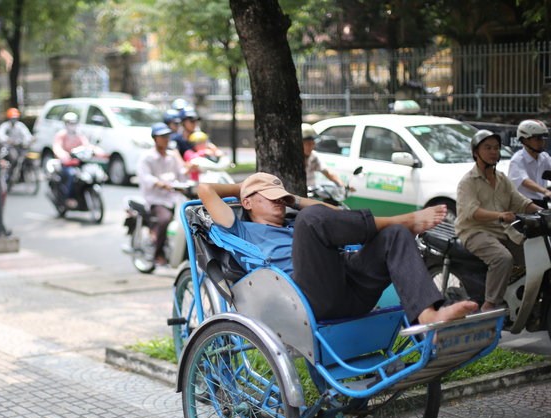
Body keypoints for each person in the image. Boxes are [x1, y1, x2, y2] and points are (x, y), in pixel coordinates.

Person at [197, 173, 478, 326]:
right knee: (313, 218)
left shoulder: (297, 224)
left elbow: (333, 212)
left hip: (349, 287)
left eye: (282, 198)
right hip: (301, 298)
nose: (279, 202)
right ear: (247, 203)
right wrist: (246, 185)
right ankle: (399, 219)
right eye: (271, 198)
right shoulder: (240, 228)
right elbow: (205, 189)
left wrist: (293, 199)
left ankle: (428, 314)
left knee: (394, 234)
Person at [455, 129, 543, 312]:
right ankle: (490, 304)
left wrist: (544, 212)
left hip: (502, 231)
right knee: (502, 258)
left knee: (535, 254)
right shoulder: (467, 182)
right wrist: (500, 215)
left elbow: (522, 203)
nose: (494, 152)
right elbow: (473, 212)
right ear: (475, 152)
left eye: (496, 148)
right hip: (474, 231)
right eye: (488, 148)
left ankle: (526, 297)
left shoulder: (502, 178)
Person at [136, 122, 188, 266]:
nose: (166, 139)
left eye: (167, 136)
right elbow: (144, 177)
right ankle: (158, 254)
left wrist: (189, 174)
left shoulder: (171, 157)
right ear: (155, 138)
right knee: (165, 219)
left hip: (174, 199)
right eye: (162, 136)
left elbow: (181, 175)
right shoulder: (147, 157)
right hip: (156, 200)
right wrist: (159, 183)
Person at [52, 111, 103, 208]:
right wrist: (64, 155)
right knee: (72, 174)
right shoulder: (61, 135)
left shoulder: (78, 135)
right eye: (70, 123)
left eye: (74, 123)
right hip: (66, 164)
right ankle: (69, 198)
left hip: (78, 162)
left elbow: (86, 145)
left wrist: (96, 151)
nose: (72, 125)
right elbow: (57, 148)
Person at [507, 119, 551, 208]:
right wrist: (545, 191)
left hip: (542, 203)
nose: (542, 143)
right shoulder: (518, 160)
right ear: (525, 140)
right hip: (523, 205)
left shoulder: (544, 157)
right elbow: (525, 181)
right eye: (538, 139)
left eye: (543, 139)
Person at [302, 123, 350, 190]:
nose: (311, 147)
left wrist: (342, 185)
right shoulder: (291, 162)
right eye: (308, 144)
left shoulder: (313, 157)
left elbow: (327, 173)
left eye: (312, 143)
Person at [0, 107, 33, 182]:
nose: (14, 120)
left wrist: (30, 139)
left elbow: (27, 135)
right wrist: (7, 140)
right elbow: (1, 136)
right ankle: (9, 176)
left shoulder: (20, 126)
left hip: (19, 146)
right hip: (9, 147)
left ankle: (22, 175)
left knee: (27, 157)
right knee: (14, 158)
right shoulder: (5, 126)